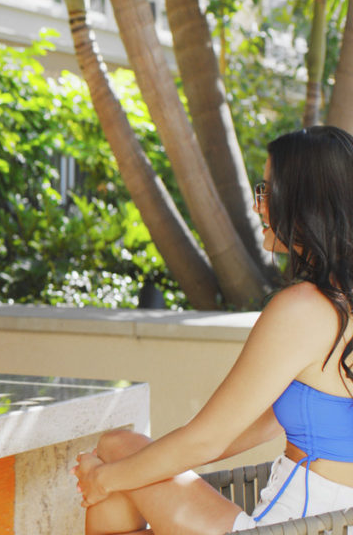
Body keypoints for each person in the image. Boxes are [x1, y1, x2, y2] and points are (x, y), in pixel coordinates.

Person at [72, 125, 353, 534]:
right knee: (126, 461)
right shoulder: (341, 303)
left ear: (304, 201)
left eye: (267, 190)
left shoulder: (304, 309)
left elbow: (208, 441)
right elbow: (251, 426)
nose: (259, 206)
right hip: (333, 521)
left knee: (117, 450)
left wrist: (101, 480)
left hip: (297, 524)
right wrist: (150, 467)